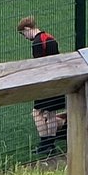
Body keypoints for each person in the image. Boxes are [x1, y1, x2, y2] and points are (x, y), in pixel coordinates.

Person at [17, 17, 66, 156]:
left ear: (27, 29)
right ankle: (51, 144)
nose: (25, 37)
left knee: (37, 112)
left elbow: (39, 66)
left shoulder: (38, 43)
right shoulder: (50, 37)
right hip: (57, 81)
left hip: (46, 83)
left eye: (23, 34)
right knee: (51, 113)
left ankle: (44, 143)